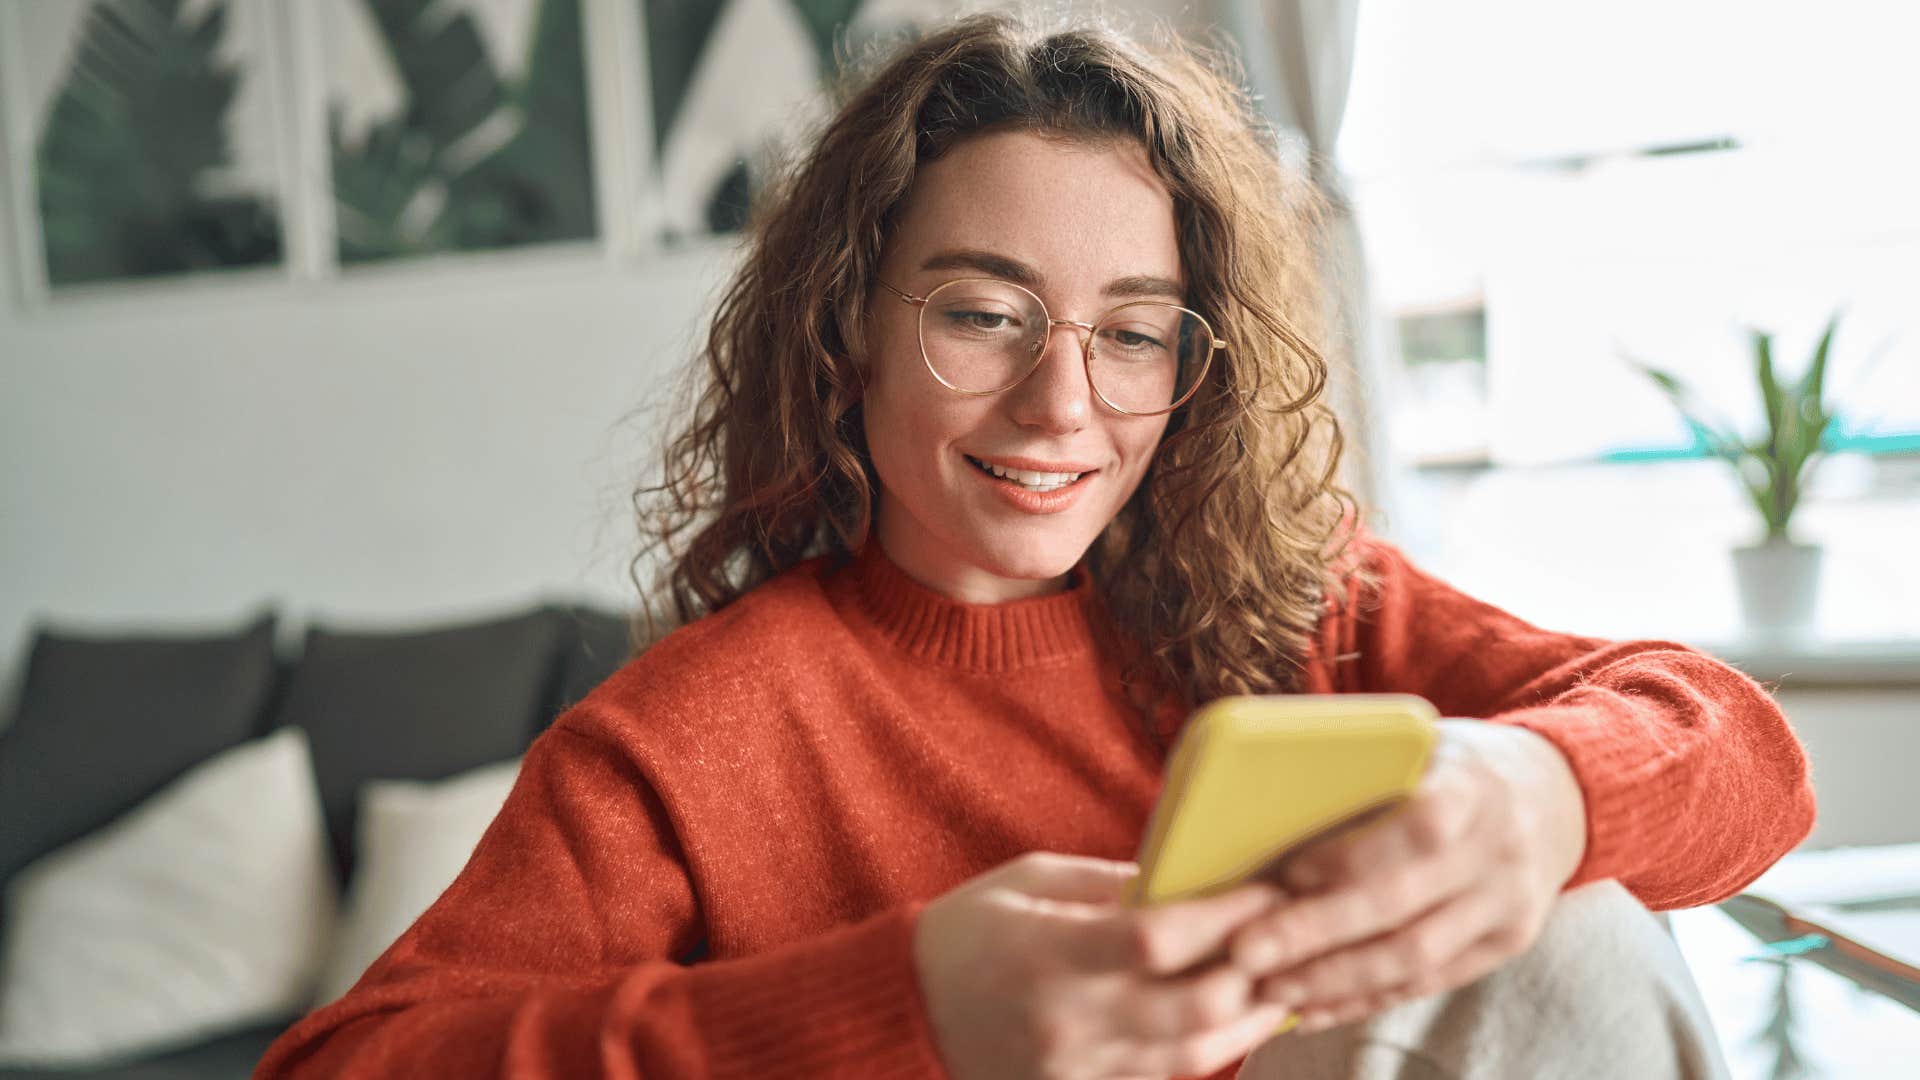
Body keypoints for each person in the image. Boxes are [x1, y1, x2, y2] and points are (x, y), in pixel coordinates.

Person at [254, 10, 1814, 1079]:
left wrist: (1540, 797)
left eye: (1133, 333)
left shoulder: (1300, 604)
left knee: (1588, 921)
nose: (1064, 403)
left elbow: (1744, 756)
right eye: (984, 315)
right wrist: (906, 1005)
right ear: (848, 325)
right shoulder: (682, 747)